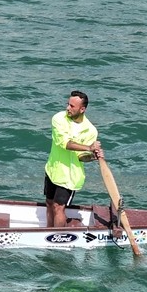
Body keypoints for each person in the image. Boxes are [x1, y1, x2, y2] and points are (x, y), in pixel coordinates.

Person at [44, 90, 103, 228]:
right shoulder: (59, 118)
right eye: (68, 104)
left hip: (70, 177)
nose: (67, 108)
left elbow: (82, 157)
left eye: (72, 106)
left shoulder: (90, 130)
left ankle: (57, 238)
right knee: (49, 203)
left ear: (82, 109)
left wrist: (93, 156)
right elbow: (64, 143)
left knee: (59, 207)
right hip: (53, 169)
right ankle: (47, 232)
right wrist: (89, 147)